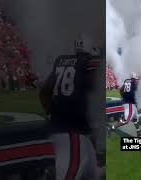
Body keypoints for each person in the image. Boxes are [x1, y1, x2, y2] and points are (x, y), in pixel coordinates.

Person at [39, 35, 101, 180]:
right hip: (73, 133)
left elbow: (44, 91)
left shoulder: (61, 60)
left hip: (62, 128)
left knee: (92, 174)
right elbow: (94, 86)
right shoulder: (88, 63)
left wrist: (50, 112)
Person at [110, 72, 141, 137]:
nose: (137, 80)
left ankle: (139, 132)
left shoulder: (127, 81)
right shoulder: (134, 82)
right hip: (130, 103)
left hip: (127, 102)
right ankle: (112, 127)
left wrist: (123, 97)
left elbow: (121, 90)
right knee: (127, 120)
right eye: (137, 78)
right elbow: (137, 92)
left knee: (135, 118)